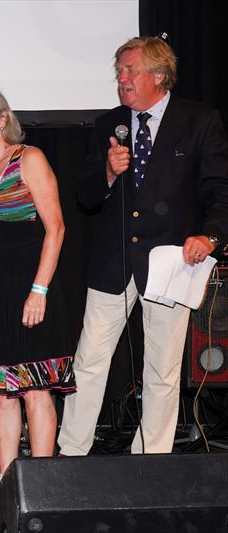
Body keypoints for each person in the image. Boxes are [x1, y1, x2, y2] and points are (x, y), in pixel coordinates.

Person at [57, 36, 228, 456]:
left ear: (158, 75)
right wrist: (109, 175)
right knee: (88, 364)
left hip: (171, 264)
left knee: (163, 371)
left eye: (130, 70)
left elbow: (219, 190)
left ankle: (151, 461)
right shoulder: (107, 125)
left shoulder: (199, 121)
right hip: (112, 264)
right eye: (119, 72)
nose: (122, 79)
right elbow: (85, 197)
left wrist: (210, 236)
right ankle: (71, 454)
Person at [0, 84, 74, 507]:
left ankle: (41, 486)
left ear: (4, 118)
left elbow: (56, 228)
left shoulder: (31, 158)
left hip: (31, 286)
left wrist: (39, 290)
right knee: (1, 391)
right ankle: (7, 483)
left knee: (36, 388)